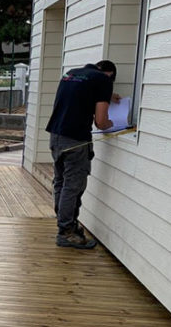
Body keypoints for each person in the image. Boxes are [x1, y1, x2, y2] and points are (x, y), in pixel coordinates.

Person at [45, 60, 117, 249]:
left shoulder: (71, 74)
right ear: (109, 75)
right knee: (73, 186)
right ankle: (66, 232)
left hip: (56, 136)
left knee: (61, 182)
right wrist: (113, 123)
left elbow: (79, 97)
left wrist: (108, 96)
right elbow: (101, 122)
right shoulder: (104, 80)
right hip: (76, 140)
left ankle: (64, 224)